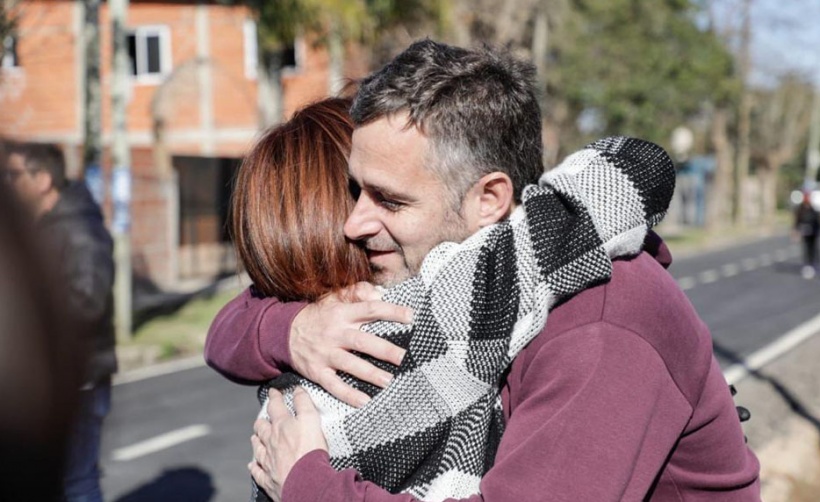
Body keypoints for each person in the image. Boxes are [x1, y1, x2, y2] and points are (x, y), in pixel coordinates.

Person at [207, 40, 760, 501]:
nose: (353, 223)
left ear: (489, 199)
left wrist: (309, 485)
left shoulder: (600, 320)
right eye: (355, 191)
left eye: (388, 200)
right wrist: (293, 330)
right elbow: (238, 320)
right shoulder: (481, 285)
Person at [2, 142, 117, 502]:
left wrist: (35, 326)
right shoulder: (45, 225)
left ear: (43, 179)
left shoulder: (79, 229)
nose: (8, 182)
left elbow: (89, 301)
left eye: (14, 175)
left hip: (80, 378)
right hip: (58, 376)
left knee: (76, 484)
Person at [793, 190, 820, 279]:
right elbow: (797, 221)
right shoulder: (800, 210)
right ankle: (807, 265)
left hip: (813, 233)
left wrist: (818, 231)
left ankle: (814, 264)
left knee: (813, 249)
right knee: (806, 249)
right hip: (805, 233)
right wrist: (796, 231)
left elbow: (818, 222)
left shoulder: (813, 210)